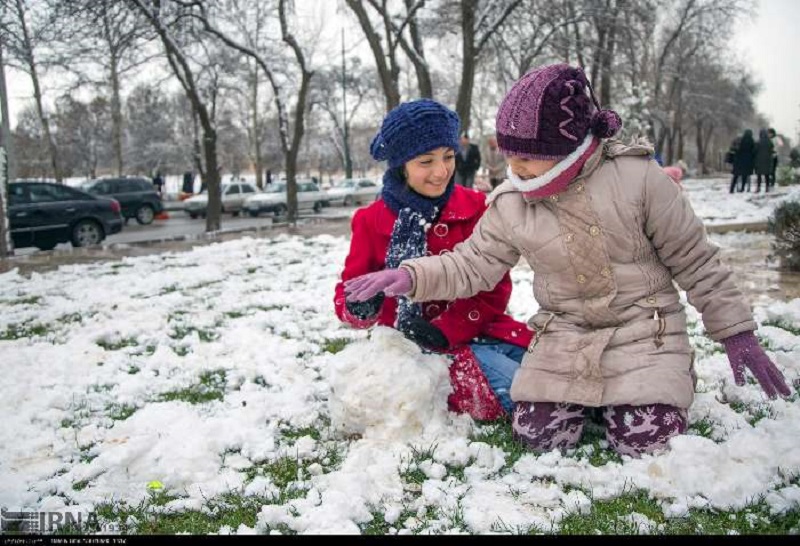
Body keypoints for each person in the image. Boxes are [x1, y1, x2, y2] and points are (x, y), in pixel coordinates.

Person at [344, 63, 791, 458]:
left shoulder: (640, 181)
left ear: (567, 148)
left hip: (644, 329)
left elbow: (697, 261)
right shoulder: (511, 202)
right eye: (508, 155)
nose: (514, 168)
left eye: (526, 157)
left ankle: (643, 394)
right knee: (539, 436)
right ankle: (595, 398)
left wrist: (736, 331)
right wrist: (409, 276)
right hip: (566, 334)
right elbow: (472, 263)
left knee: (643, 439)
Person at [333, 98, 533, 420]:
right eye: (426, 161)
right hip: (414, 354)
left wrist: (447, 328)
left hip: (480, 328)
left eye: (449, 157)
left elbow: (495, 289)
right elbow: (348, 292)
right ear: (401, 166)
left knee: (551, 370)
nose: (441, 172)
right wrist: (359, 307)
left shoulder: (476, 207)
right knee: (527, 391)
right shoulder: (370, 221)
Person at [754, 129, 775, 193]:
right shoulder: (770, 142)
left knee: (759, 175)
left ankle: (758, 188)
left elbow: (755, 151)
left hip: (759, 161)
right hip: (767, 161)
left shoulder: (758, 142)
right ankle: (767, 188)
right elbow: (772, 150)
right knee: (767, 175)